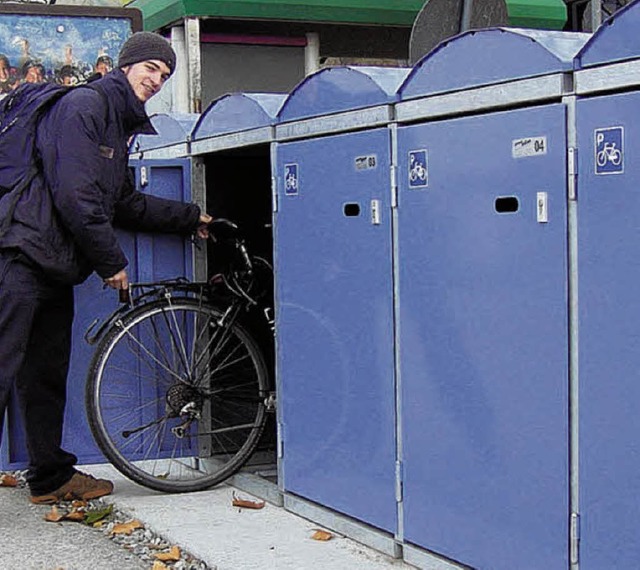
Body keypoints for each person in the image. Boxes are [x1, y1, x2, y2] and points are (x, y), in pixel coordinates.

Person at [0, 32, 212, 504]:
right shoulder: (85, 107)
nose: (157, 80)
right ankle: (49, 476)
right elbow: (75, 193)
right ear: (126, 65)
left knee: (44, 375)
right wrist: (110, 261)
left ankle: (50, 478)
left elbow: (120, 201)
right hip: (19, 255)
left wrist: (189, 217)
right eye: (151, 68)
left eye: (165, 74)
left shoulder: (116, 122)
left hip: (51, 263)